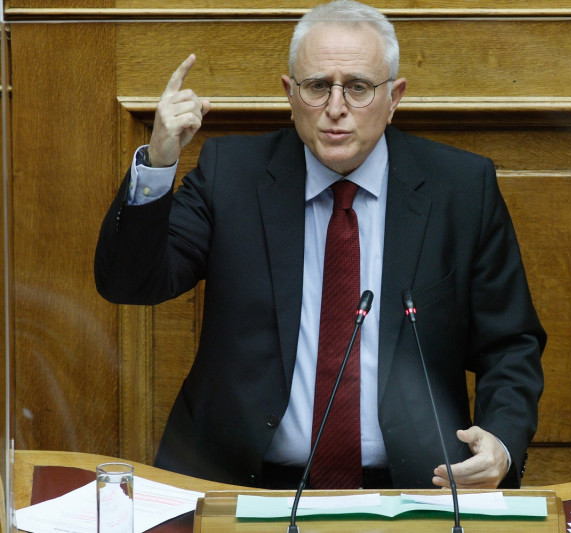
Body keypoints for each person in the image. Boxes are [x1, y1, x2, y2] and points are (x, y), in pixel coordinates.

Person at [95, 0, 545, 490]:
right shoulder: (232, 175)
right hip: (241, 484)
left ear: (394, 97)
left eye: (358, 88)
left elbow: (510, 345)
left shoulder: (459, 188)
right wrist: (159, 161)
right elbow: (130, 282)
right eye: (316, 87)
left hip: (416, 487)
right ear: (290, 94)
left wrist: (500, 443)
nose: (336, 108)